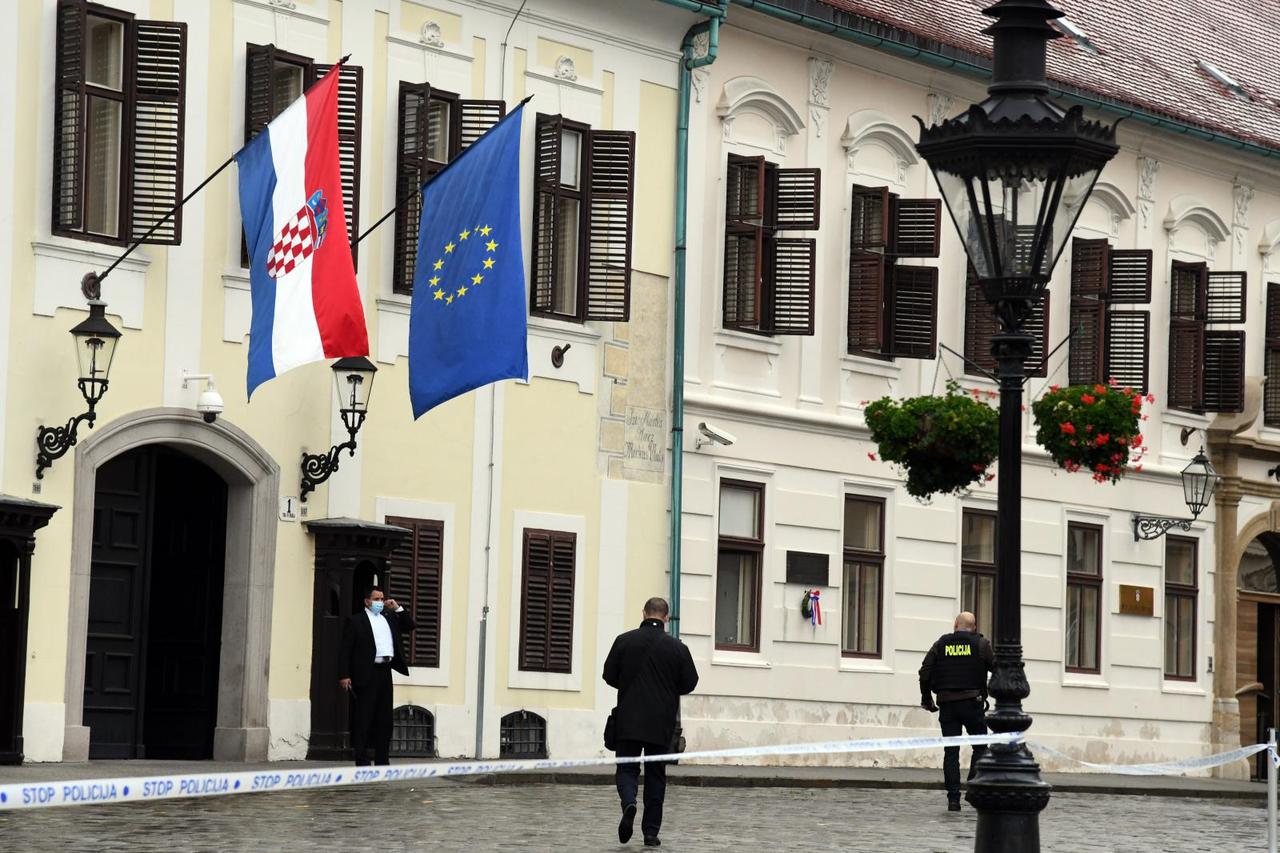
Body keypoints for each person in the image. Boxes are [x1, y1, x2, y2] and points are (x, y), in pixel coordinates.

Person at [603, 597, 699, 847]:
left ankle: (629, 803)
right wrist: (667, 688)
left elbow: (609, 674)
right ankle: (651, 833)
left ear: (644, 613)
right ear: (666, 618)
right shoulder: (678, 648)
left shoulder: (624, 641)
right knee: (657, 775)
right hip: (661, 722)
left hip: (629, 719)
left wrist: (629, 686)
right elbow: (689, 683)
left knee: (626, 769)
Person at [918, 610, 994, 812]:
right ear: (974, 627)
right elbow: (998, 670)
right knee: (980, 747)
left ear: (955, 625)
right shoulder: (981, 644)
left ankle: (953, 799)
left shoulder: (942, 644)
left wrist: (927, 699)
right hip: (972, 703)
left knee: (951, 752)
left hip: (947, 704)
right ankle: (972, 785)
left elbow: (925, 672)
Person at [338, 585, 415, 766]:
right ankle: (362, 760)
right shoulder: (356, 620)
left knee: (384, 719)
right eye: (376, 599)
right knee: (364, 717)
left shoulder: (389, 618)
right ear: (367, 601)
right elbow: (345, 650)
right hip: (366, 672)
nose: (380, 602)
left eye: (382, 599)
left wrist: (397, 607)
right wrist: (344, 675)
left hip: (385, 671)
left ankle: (382, 760)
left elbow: (410, 625)